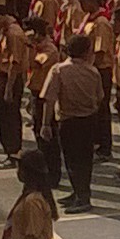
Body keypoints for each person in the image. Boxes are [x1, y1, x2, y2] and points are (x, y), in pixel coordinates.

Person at [42, 38, 109, 211]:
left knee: (72, 160)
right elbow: (100, 97)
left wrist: (45, 124)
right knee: (85, 159)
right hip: (88, 120)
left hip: (68, 120)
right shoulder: (93, 71)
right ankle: (79, 191)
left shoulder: (58, 70)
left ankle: (82, 196)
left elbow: (49, 99)